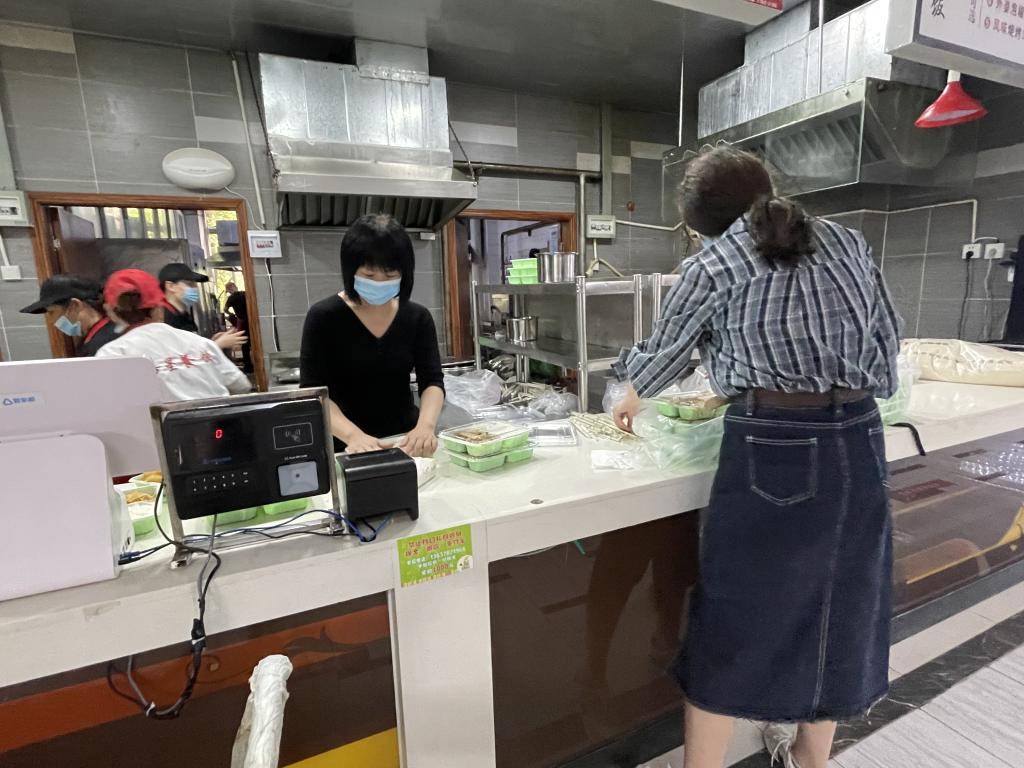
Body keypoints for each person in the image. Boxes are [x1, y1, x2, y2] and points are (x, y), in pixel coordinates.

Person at [611, 147, 902, 768]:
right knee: (842, 604)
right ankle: (811, 758)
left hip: (774, 443)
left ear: (699, 223)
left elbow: (662, 357)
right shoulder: (847, 240)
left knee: (737, 614)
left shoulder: (714, 262)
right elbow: (886, 338)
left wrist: (630, 391)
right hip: (860, 435)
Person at [300, 213, 445, 457]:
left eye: (390, 276)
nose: (379, 282)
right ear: (351, 271)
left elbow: (432, 381)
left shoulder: (417, 317)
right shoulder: (324, 317)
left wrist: (425, 427)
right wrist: (353, 436)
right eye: (369, 275)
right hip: (346, 446)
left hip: (405, 443)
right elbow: (314, 392)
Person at [96, 269, 252, 402]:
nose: (194, 289)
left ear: (111, 312)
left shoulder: (111, 354)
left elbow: (106, 403)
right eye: (190, 284)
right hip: (216, 423)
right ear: (159, 307)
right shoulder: (201, 344)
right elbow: (242, 385)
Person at [19, 274, 118, 356]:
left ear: (75, 305)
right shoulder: (94, 338)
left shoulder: (106, 344)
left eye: (52, 312)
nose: (51, 320)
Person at [158, 262, 245, 352]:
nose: (195, 288)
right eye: (190, 284)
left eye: (195, 284)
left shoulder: (183, 315)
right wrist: (218, 344)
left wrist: (212, 341)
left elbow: (190, 347)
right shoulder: (165, 319)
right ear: (171, 286)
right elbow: (179, 356)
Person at [223, 281, 253, 373]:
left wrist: (231, 314)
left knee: (245, 344)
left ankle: (248, 366)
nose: (229, 292)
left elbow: (225, 309)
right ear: (235, 287)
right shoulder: (245, 294)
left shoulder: (231, 298)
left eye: (228, 290)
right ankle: (255, 363)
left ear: (230, 289)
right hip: (252, 321)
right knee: (253, 342)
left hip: (242, 322)